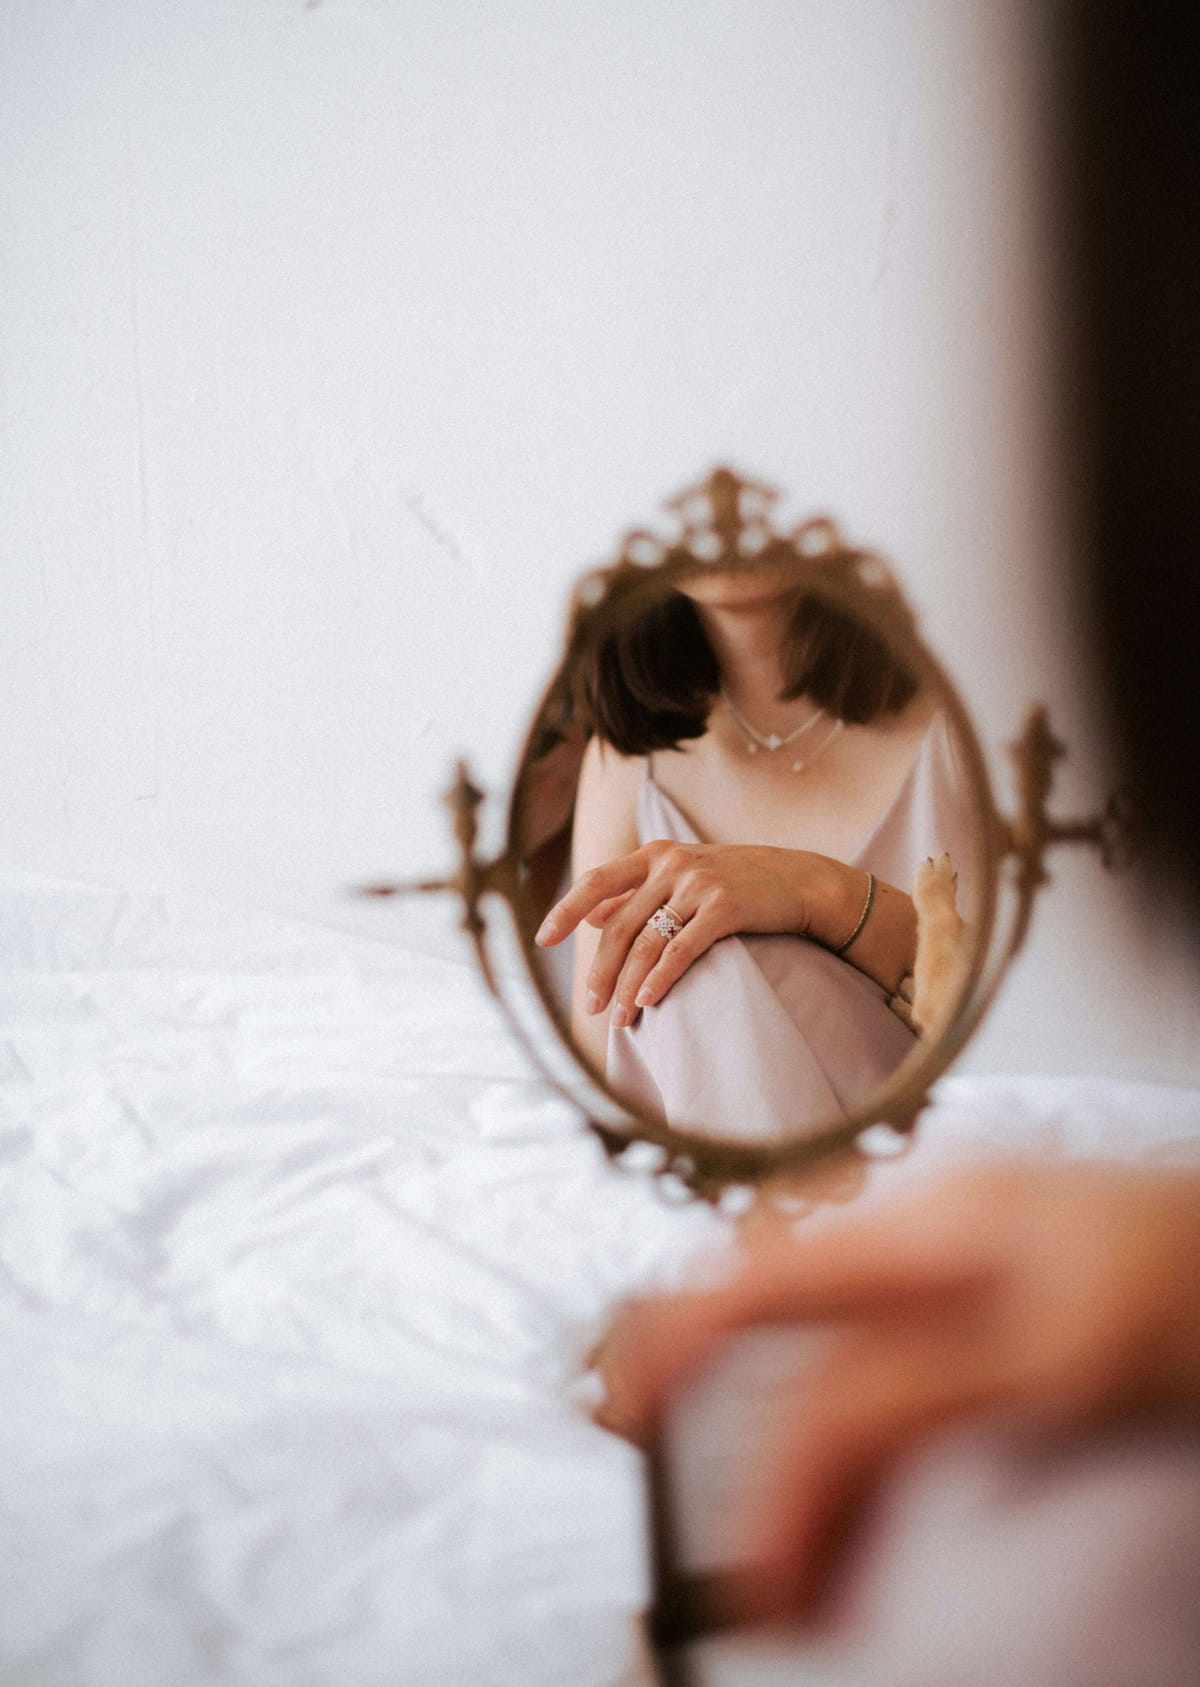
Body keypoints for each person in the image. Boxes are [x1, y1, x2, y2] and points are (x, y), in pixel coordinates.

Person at [587, 2, 1200, 1675]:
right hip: (781, 1200)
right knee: (686, 959)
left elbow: (979, 1004)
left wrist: (808, 890)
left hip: (889, 1159)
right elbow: (612, 1046)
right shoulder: (627, 759)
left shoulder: (941, 717)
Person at [534, 561, 980, 1142]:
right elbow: (604, 1081)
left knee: (696, 955)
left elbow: (1058, 1044)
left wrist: (823, 895)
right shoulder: (625, 763)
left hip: (960, 1156)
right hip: (731, 1181)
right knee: (685, 957)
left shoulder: (975, 721)